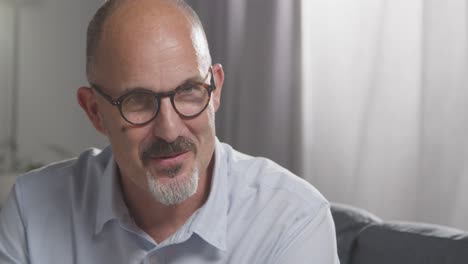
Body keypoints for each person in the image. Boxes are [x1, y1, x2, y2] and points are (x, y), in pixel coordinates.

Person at [0, 0, 339, 263]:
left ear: (215, 89)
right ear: (94, 112)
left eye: (189, 91)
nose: (169, 129)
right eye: (138, 101)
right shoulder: (31, 209)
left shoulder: (293, 220)